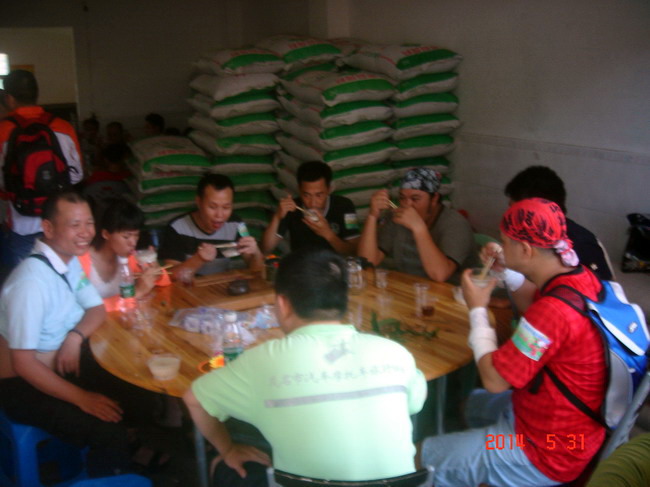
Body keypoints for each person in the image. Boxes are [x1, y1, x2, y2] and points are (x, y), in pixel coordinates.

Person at [183, 247, 427, 485]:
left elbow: (194, 400)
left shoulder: (263, 360)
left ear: (283, 304)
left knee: (227, 465)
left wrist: (228, 449)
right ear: (343, 301)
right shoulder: (394, 352)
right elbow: (414, 404)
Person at [421, 198, 607, 486]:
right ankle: (473, 462)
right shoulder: (579, 278)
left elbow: (495, 380)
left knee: (423, 457)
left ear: (526, 250)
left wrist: (477, 309)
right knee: (468, 406)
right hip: (571, 427)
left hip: (546, 449)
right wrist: (505, 271)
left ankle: (476, 465)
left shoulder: (554, 312)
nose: (500, 247)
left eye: (505, 242)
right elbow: (533, 306)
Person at [0, 191, 129, 477]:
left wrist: (75, 337)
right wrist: (82, 398)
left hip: (62, 362)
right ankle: (108, 468)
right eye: (75, 225)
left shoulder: (68, 262)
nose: (85, 232)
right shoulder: (31, 283)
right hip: (21, 384)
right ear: (48, 228)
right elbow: (23, 364)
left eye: (89, 223)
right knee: (107, 429)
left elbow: (96, 309)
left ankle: (123, 460)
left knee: (132, 387)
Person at [0, 70, 84, 281]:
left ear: (9, 98)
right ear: (37, 94)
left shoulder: (3, 131)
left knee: (30, 283)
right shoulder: (63, 127)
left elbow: (2, 184)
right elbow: (77, 175)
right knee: (66, 280)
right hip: (62, 220)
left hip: (22, 223)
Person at [358, 167, 477, 284]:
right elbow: (368, 261)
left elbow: (439, 275)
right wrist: (372, 216)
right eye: (402, 198)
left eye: (415, 199)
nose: (407, 205)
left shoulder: (455, 224)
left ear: (434, 199)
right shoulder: (396, 217)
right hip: (410, 288)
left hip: (450, 293)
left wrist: (419, 228)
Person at [504, 165, 614, 281]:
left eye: (514, 212)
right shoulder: (529, 238)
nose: (508, 217)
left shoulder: (583, 245)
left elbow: (602, 288)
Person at [158, 173, 263, 276]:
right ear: (198, 202)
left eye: (226, 207)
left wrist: (256, 252)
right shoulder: (177, 228)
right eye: (212, 207)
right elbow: (171, 276)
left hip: (221, 284)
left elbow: (257, 270)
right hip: (190, 286)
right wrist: (199, 259)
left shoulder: (237, 225)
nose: (219, 215)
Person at [79, 198, 170, 312]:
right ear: (106, 234)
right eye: (126, 237)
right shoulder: (80, 262)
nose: (133, 243)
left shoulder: (130, 257)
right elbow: (81, 309)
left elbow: (165, 282)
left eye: (136, 236)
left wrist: (156, 271)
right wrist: (136, 293)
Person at [262, 161, 360, 255]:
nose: (313, 203)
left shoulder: (345, 206)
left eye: (319, 195)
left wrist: (328, 234)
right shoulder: (292, 208)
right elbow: (266, 249)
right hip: (301, 264)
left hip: (335, 264)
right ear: (299, 189)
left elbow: (354, 251)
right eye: (306, 195)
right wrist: (277, 217)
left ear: (329, 189)